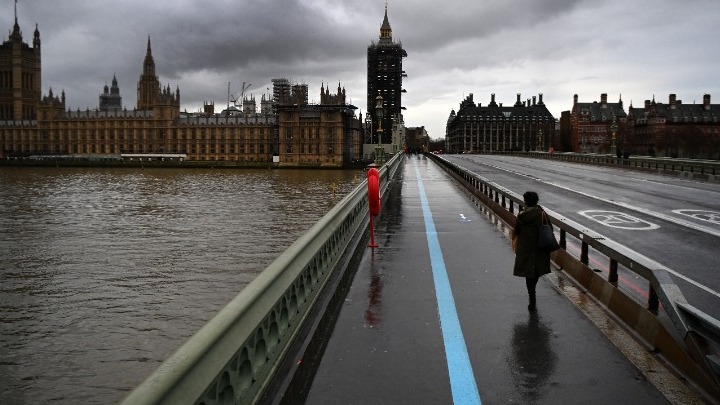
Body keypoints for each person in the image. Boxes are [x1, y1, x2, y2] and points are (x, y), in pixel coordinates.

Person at [512, 191, 551, 311]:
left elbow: (517, 231)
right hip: (540, 248)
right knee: (536, 272)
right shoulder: (542, 214)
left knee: (528, 275)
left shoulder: (522, 215)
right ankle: (533, 290)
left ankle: (532, 298)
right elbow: (550, 228)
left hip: (526, 249)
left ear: (526, 201)